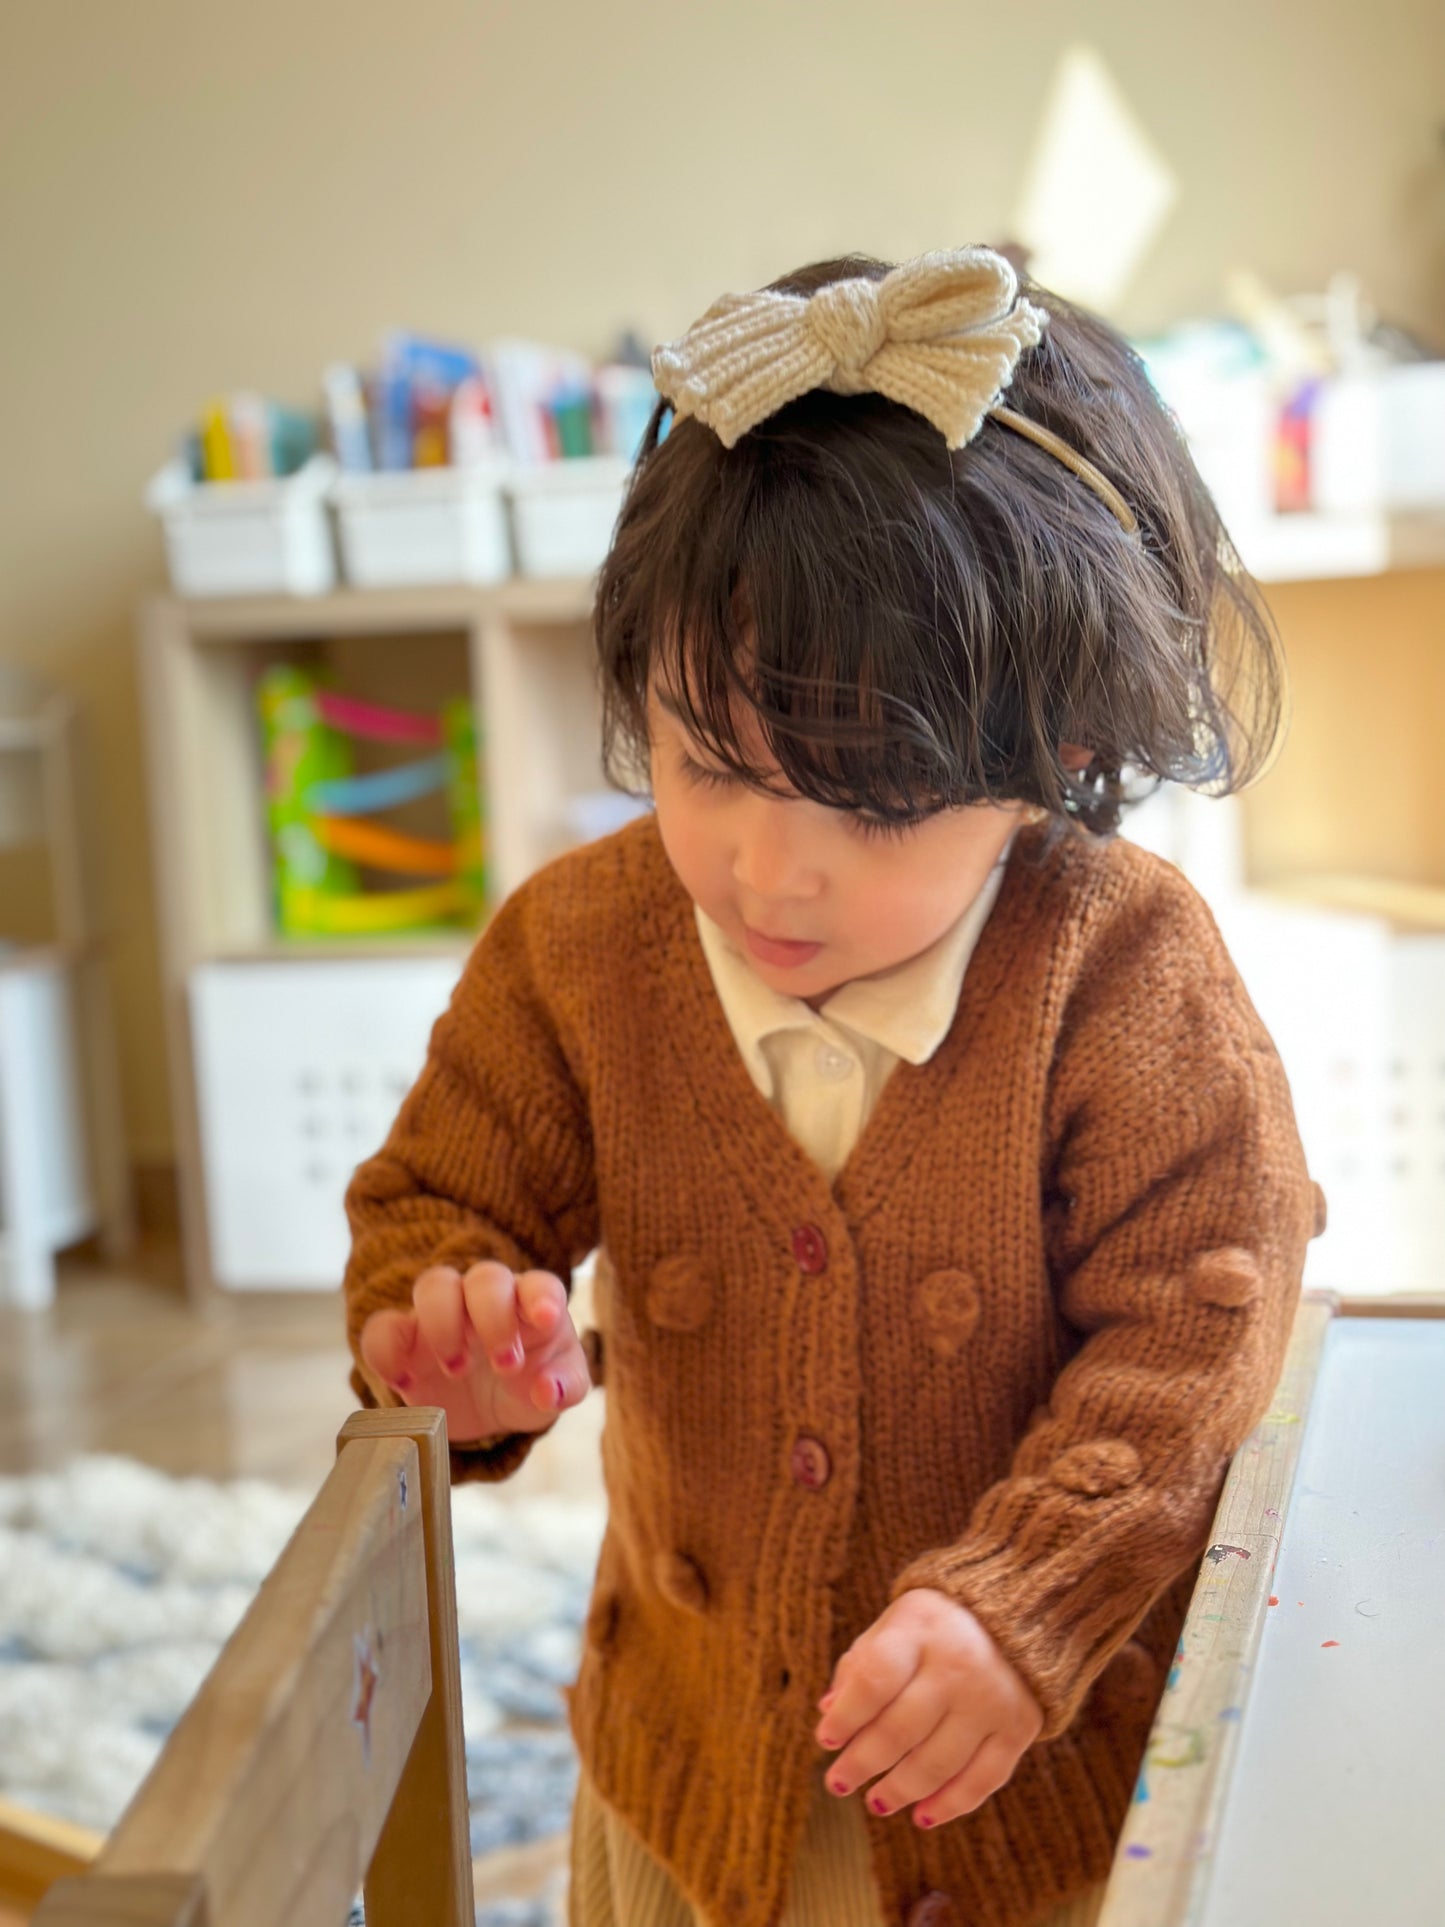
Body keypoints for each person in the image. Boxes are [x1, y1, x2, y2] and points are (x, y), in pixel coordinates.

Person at [343, 246, 1322, 1927]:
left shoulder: (1119, 970)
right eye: (709, 760)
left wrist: (1028, 1599)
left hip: (1023, 1770)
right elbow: (439, 1202)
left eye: (869, 807)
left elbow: (1202, 1326)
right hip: (690, 1753)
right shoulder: (580, 949)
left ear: (1056, 763)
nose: (766, 870)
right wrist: (443, 1340)